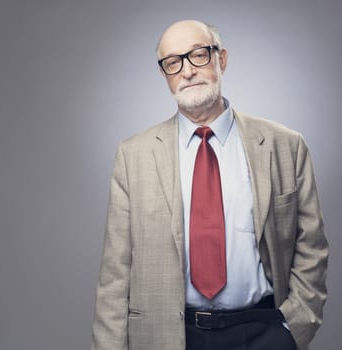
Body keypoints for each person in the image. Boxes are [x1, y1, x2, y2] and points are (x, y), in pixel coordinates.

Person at [91, 20, 328, 350]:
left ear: (222, 59)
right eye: (173, 62)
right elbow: (115, 274)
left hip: (263, 333)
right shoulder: (133, 155)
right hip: (168, 338)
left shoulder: (285, 145)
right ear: (165, 75)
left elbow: (312, 248)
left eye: (198, 55)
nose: (187, 71)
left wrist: (292, 330)